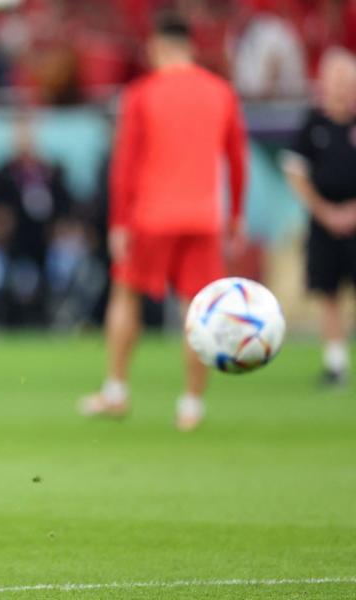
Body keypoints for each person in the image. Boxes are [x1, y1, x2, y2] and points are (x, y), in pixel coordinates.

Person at [79, 13, 247, 431]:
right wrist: (236, 216)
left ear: (158, 47)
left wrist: (118, 222)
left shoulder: (142, 93)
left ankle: (116, 391)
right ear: (191, 46)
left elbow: (125, 165)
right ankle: (191, 405)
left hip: (151, 217)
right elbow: (237, 160)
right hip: (204, 218)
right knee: (199, 311)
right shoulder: (220, 92)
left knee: (127, 296)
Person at [282, 47, 356, 387]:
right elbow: (296, 171)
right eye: (335, 79)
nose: (341, 86)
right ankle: (335, 363)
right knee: (328, 293)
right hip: (324, 221)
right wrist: (326, 212)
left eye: (347, 79)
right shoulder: (313, 123)